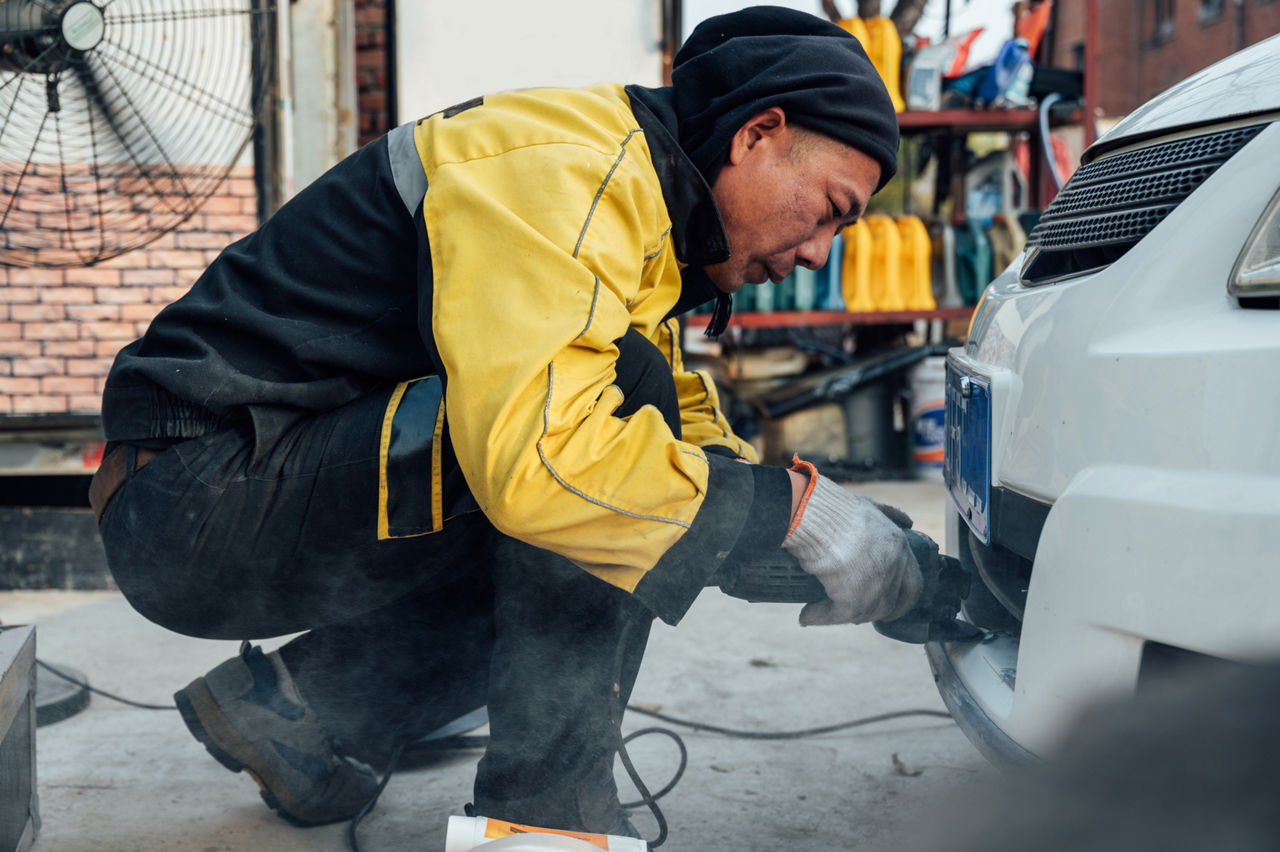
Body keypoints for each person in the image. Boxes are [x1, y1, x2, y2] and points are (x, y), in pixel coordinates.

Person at [89, 5, 962, 839]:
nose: (818, 251)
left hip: (254, 482)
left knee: (635, 484)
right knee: (597, 457)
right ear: (757, 135)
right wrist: (791, 514)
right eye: (832, 210)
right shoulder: (568, 168)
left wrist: (852, 545)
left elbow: (693, 463)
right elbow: (554, 461)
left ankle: (304, 717)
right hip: (195, 496)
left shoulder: (645, 213)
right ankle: (546, 825)